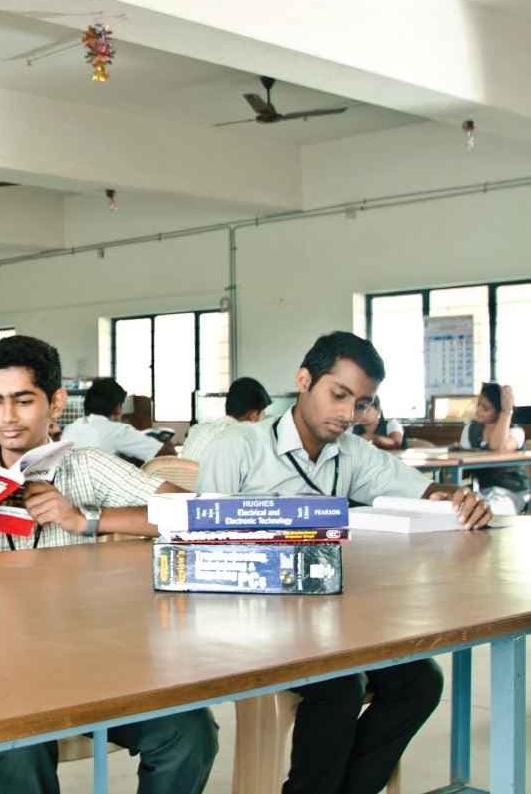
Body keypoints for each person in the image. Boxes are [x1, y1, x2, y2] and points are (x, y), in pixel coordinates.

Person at [198, 331, 491, 794]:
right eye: (338, 394)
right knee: (340, 686)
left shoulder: (351, 453)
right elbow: (203, 543)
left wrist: (458, 499)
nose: (347, 414)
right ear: (304, 380)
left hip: (329, 621)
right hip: (251, 620)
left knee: (421, 681)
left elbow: (424, 491)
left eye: (361, 403)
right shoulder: (240, 447)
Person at [0, 336, 216, 794]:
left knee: (188, 732)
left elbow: (196, 517)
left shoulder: (87, 467)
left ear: (55, 403)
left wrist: (85, 519)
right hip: (0, 662)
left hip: (92, 656)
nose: (7, 418)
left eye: (23, 401)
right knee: (19, 747)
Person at [61, 377, 176, 462]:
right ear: (117, 408)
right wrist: (167, 441)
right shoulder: (119, 431)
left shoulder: (70, 428)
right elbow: (167, 454)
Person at [458, 382, 527, 513]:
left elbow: (498, 447)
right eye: (478, 404)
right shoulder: (470, 429)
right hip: (482, 491)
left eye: (485, 408)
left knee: (486, 511)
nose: (478, 410)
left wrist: (507, 411)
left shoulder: (516, 432)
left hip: (512, 491)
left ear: (499, 411)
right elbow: (463, 463)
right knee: (462, 510)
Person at [180, 376, 272, 461]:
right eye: (263, 412)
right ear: (254, 415)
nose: (264, 416)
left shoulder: (197, 429)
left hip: (185, 478)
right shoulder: (243, 435)